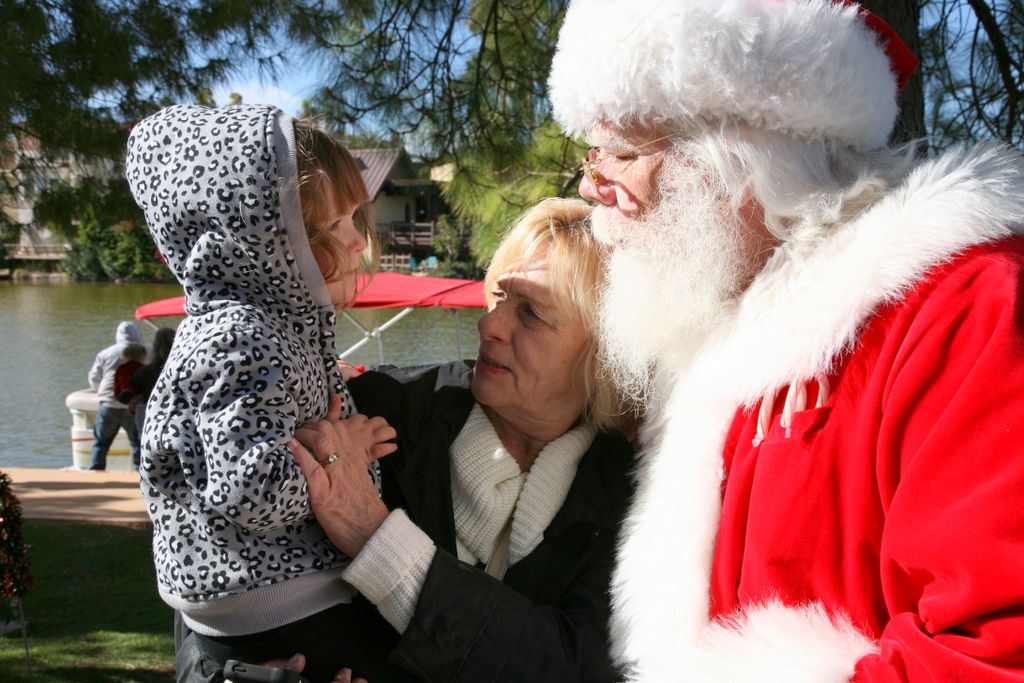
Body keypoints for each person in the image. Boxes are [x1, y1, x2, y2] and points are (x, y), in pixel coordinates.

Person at [547, 0, 1024, 680]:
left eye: (622, 152)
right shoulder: (721, 341)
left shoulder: (965, 309)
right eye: (592, 153)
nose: (595, 187)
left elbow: (997, 646)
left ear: (743, 161)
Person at [287, 197, 635, 681]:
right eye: (497, 296)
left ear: (603, 351)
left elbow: (575, 667)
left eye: (531, 312)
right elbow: (222, 561)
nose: (489, 324)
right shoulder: (380, 410)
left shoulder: (634, 499)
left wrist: (374, 534)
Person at [124, 103, 394, 683]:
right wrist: (339, 450)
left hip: (266, 600)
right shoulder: (244, 337)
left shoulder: (267, 327)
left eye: (355, 216)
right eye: (328, 226)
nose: (355, 242)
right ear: (258, 243)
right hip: (278, 606)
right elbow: (252, 489)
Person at [87, 320, 144, 470]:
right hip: (132, 406)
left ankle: (96, 472)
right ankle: (140, 475)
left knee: (101, 443)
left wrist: (100, 391)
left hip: (108, 404)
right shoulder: (146, 351)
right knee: (137, 444)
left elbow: (94, 379)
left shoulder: (106, 353)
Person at [128, 326, 176, 437]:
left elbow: (136, 395)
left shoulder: (143, 373)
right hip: (176, 420)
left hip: (151, 421)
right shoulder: (183, 370)